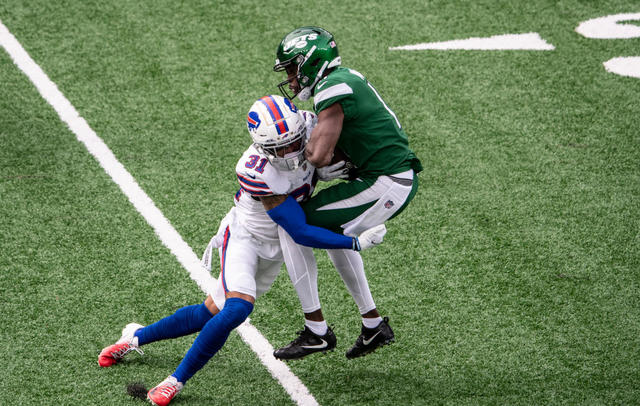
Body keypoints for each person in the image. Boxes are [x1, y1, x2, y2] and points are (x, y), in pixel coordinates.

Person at [97, 95, 386, 406]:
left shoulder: (309, 125)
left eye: (293, 142)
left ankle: (135, 337)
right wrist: (354, 242)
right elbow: (299, 229)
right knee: (237, 310)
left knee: (208, 312)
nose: (290, 152)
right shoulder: (257, 169)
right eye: (280, 148)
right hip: (247, 238)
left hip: (277, 247)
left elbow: (341, 139)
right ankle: (174, 381)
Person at [272, 26, 423, 360]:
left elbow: (319, 156)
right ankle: (372, 325)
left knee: (294, 224)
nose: (292, 79)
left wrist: (301, 162)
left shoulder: (333, 86)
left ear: (311, 62)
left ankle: (316, 330)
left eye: (293, 69)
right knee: (327, 228)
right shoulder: (342, 78)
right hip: (384, 176)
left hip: (388, 181)